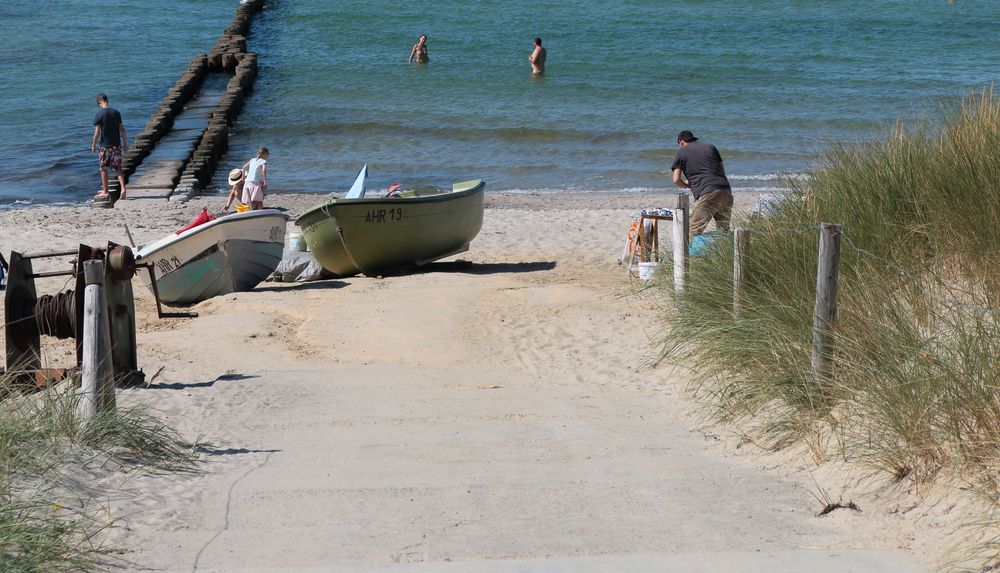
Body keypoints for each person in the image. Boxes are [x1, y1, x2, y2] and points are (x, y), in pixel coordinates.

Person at [670, 130, 734, 236]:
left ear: (681, 142)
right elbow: (721, 171)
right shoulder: (711, 147)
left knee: (694, 231)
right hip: (725, 190)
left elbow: (676, 180)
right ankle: (725, 252)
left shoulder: (681, 152)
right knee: (724, 231)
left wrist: (686, 185)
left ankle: (687, 253)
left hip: (708, 192)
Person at [91, 93, 128, 199]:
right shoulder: (116, 113)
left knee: (103, 168)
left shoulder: (99, 114)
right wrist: (125, 144)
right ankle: (123, 188)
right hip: (116, 145)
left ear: (99, 102)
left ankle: (105, 191)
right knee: (118, 168)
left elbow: (97, 132)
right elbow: (122, 129)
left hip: (105, 146)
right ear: (107, 100)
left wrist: (93, 145)